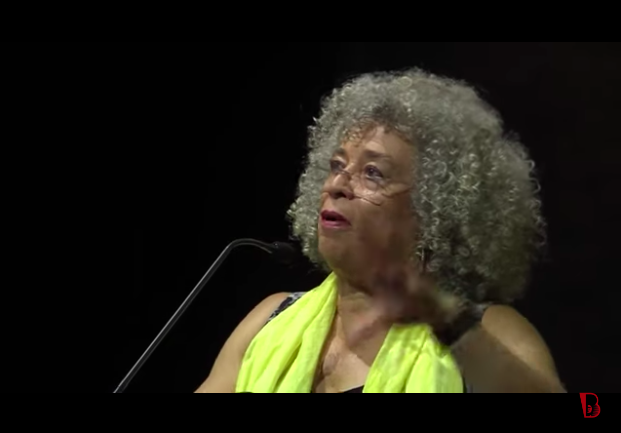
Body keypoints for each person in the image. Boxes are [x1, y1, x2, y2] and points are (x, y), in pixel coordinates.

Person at [196, 70, 566, 393]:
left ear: (434, 211)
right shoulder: (270, 319)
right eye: (336, 165)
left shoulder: (491, 331)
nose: (336, 185)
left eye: (373, 173)